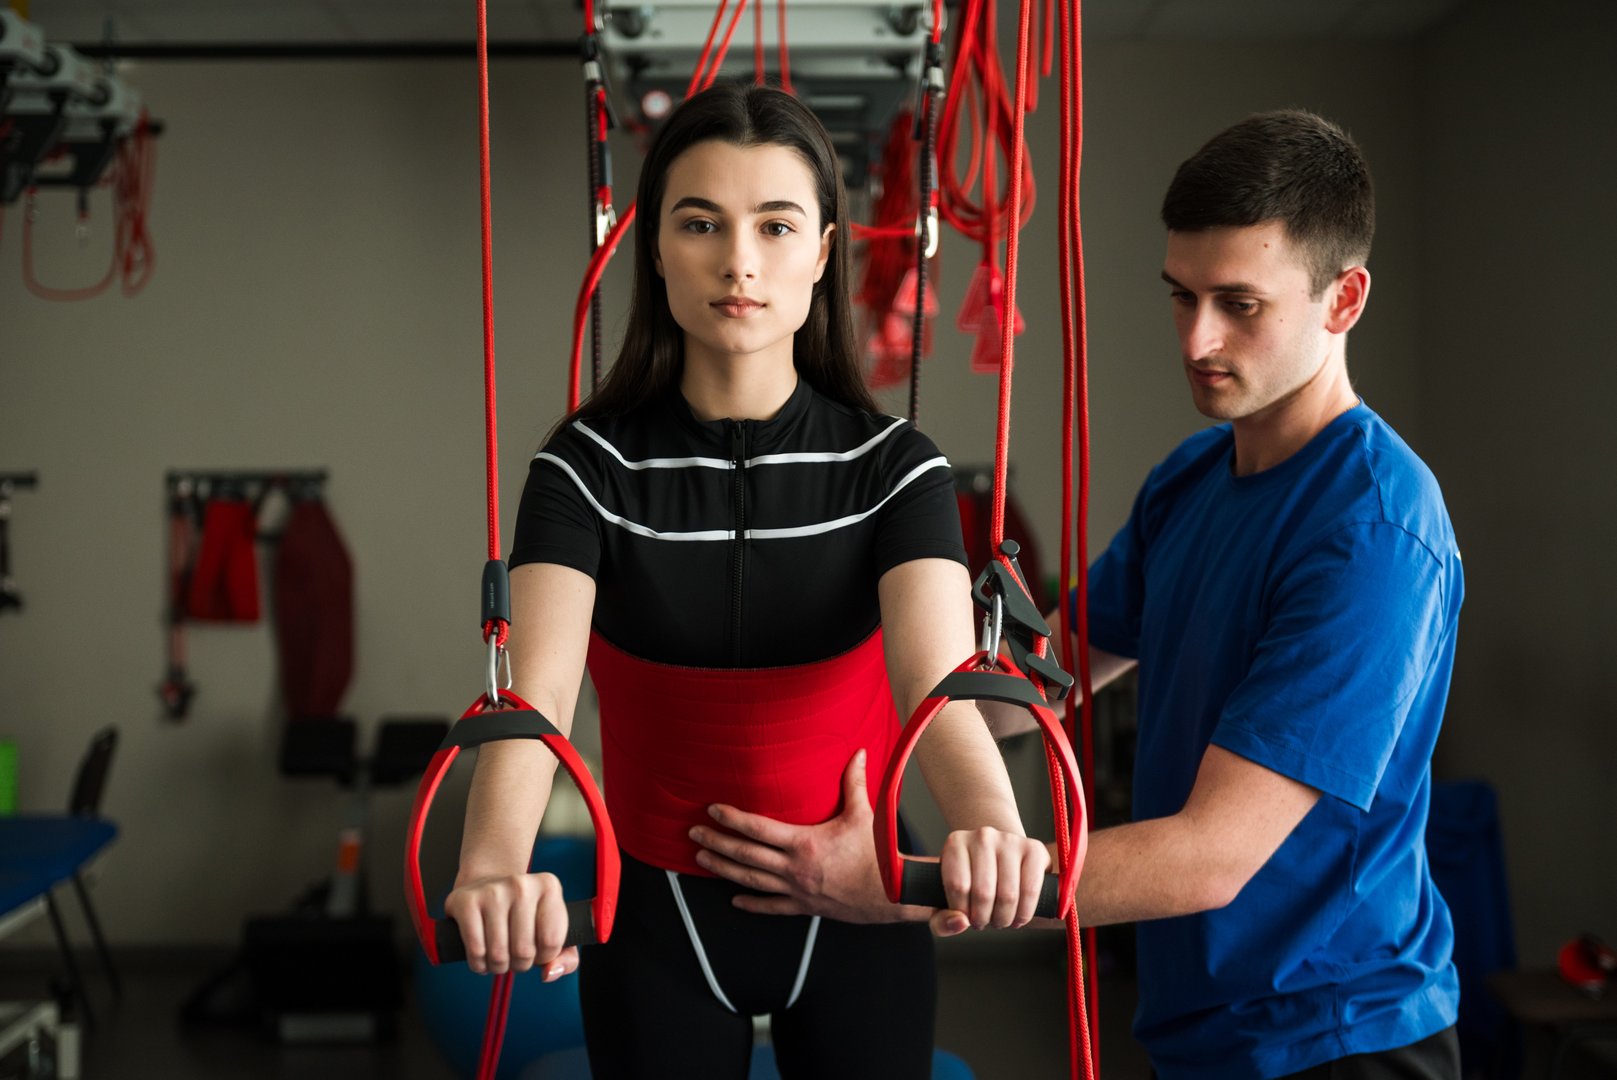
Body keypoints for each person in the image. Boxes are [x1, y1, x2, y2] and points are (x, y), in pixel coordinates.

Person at [695, 110, 1464, 1079]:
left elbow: (1209, 858)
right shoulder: (1191, 480)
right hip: (1200, 1027)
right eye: (1181, 297)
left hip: (1338, 1038)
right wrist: (856, 625)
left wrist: (902, 885)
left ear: (1342, 299)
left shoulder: (1372, 533)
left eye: (1239, 304)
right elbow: (1030, 692)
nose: (1198, 338)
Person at [443, 82, 1050, 1080]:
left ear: (821, 252)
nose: (739, 260)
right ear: (654, 248)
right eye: (700, 224)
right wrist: (492, 864)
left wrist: (991, 825)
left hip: (859, 904)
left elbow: (936, 691)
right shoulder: (583, 469)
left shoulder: (898, 469)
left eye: (775, 225)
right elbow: (534, 701)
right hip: (655, 918)